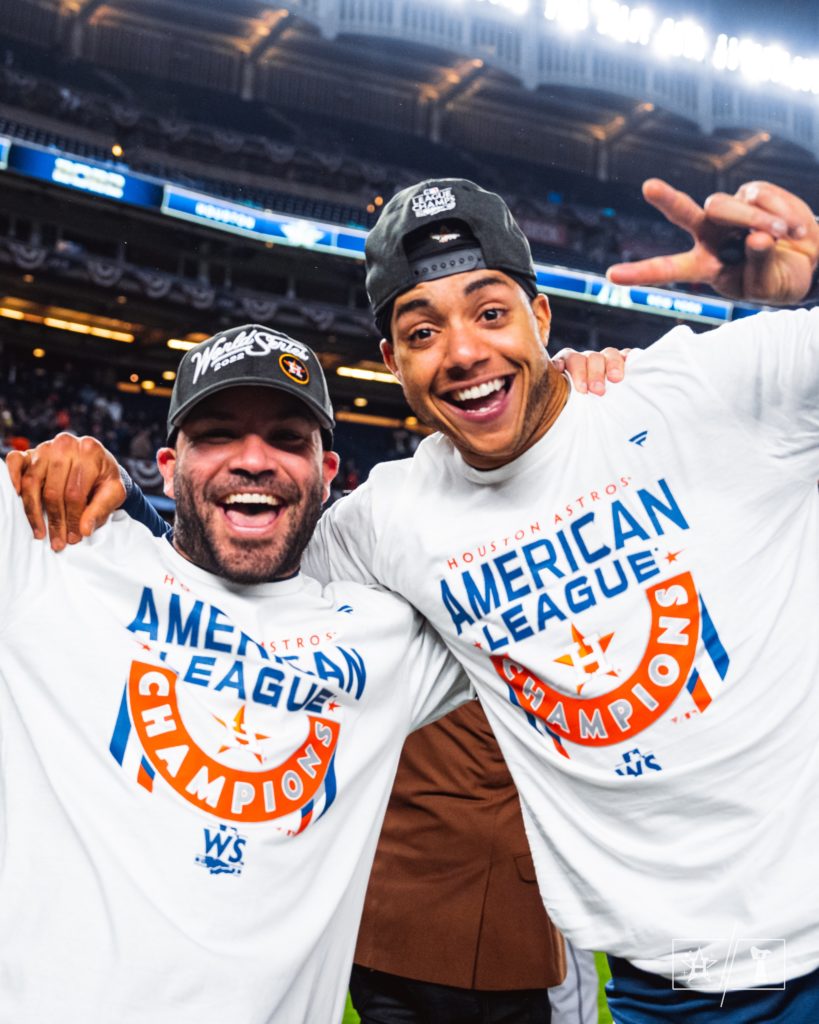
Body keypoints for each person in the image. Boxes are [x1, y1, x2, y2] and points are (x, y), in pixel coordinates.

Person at [11, 177, 819, 1023]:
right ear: (392, 362)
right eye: (422, 331)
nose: (462, 351)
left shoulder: (708, 388)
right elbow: (220, 572)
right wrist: (105, 497)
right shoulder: (382, 524)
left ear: (542, 318)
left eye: (491, 312)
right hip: (667, 982)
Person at [0, 324, 480, 1022]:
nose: (254, 460)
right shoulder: (52, 549)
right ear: (167, 468)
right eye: (218, 434)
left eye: (287, 439)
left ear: (329, 474)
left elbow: (539, 540)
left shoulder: (385, 640)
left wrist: (580, 399)